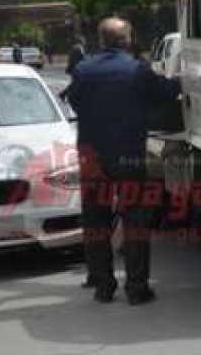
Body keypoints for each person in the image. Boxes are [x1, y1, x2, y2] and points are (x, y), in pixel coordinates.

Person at [66, 17, 180, 305]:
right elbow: (166, 93)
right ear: (127, 40)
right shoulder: (137, 70)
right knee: (135, 221)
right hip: (128, 155)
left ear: (102, 40)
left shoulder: (83, 70)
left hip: (92, 157)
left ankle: (103, 287)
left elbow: (76, 103)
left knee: (96, 222)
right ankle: (137, 289)